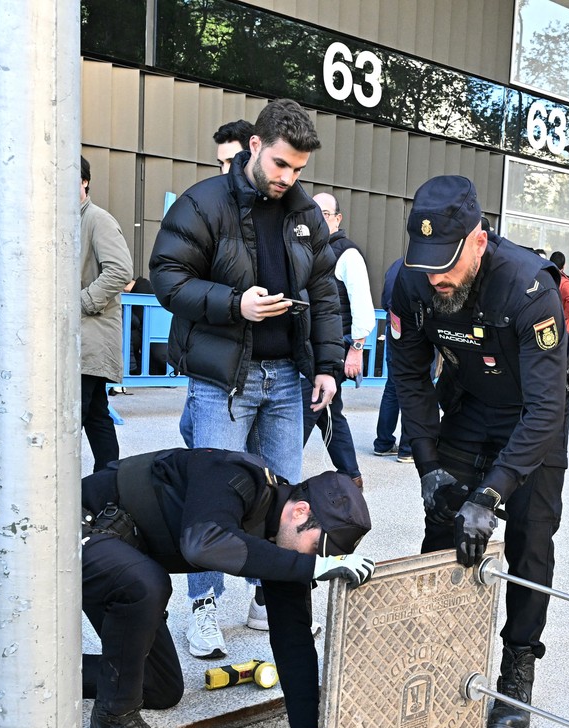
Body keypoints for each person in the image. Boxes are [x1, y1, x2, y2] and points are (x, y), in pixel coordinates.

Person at [0, 448, 374, 728]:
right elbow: (204, 544)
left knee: (160, 688)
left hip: (120, 557)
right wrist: (307, 566)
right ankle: (113, 720)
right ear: (300, 512)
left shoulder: (286, 546)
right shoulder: (237, 477)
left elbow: (293, 640)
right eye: (321, 550)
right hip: (65, 528)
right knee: (147, 581)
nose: (317, 561)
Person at [149, 98, 343, 659]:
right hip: (222, 380)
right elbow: (167, 278)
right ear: (255, 146)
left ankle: (270, 600)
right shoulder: (204, 202)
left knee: (284, 498)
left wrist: (328, 366)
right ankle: (204, 607)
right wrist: (236, 305)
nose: (288, 178)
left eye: (299, 170)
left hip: (288, 378)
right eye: (281, 164)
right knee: (210, 499)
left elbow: (326, 294)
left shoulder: (305, 214)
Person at [388, 175, 569, 728]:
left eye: (446, 263)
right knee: (443, 523)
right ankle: (431, 654)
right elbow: (411, 378)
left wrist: (492, 494)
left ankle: (518, 667)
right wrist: (427, 464)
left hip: (530, 419)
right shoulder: (412, 283)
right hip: (468, 408)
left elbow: (546, 407)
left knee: (530, 543)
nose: (436, 279)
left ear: (478, 240)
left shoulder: (528, 286)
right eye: (425, 265)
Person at [301, 191, 375, 500]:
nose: (320, 218)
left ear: (338, 219)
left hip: (335, 348)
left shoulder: (347, 253)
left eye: (326, 213)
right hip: (312, 347)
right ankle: (351, 476)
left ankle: (276, 474)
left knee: (306, 410)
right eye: (314, 213)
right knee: (329, 412)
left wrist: (355, 349)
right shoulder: (311, 250)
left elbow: (363, 308)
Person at [78, 157, 133, 473]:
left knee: (73, 417)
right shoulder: (70, 219)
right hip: (83, 335)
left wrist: (82, 302)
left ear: (85, 181)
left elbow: (121, 270)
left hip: (90, 334)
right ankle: (110, 481)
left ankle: (59, 491)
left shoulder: (98, 219)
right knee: (97, 413)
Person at [373, 258, 411, 461]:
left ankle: (383, 443)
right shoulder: (421, 266)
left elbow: (384, 300)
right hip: (415, 333)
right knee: (415, 387)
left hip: (393, 328)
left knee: (393, 386)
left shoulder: (395, 265)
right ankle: (407, 449)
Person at [548, 250, 569, 339]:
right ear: (564, 266)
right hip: (563, 329)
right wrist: (564, 316)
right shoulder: (563, 282)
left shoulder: (545, 278)